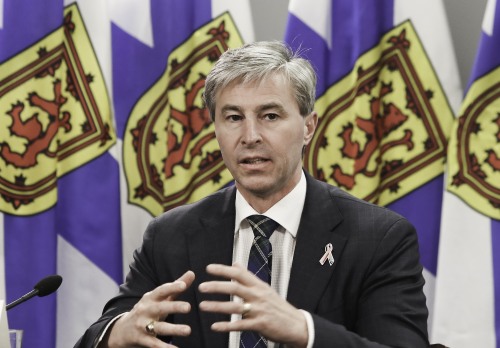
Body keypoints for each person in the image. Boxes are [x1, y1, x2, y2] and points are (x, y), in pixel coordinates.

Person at [75, 41, 429, 348]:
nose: (250, 136)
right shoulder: (171, 236)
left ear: (308, 128)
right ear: (215, 129)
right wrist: (119, 332)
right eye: (233, 117)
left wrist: (302, 330)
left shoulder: (379, 238)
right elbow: (100, 334)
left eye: (270, 115)